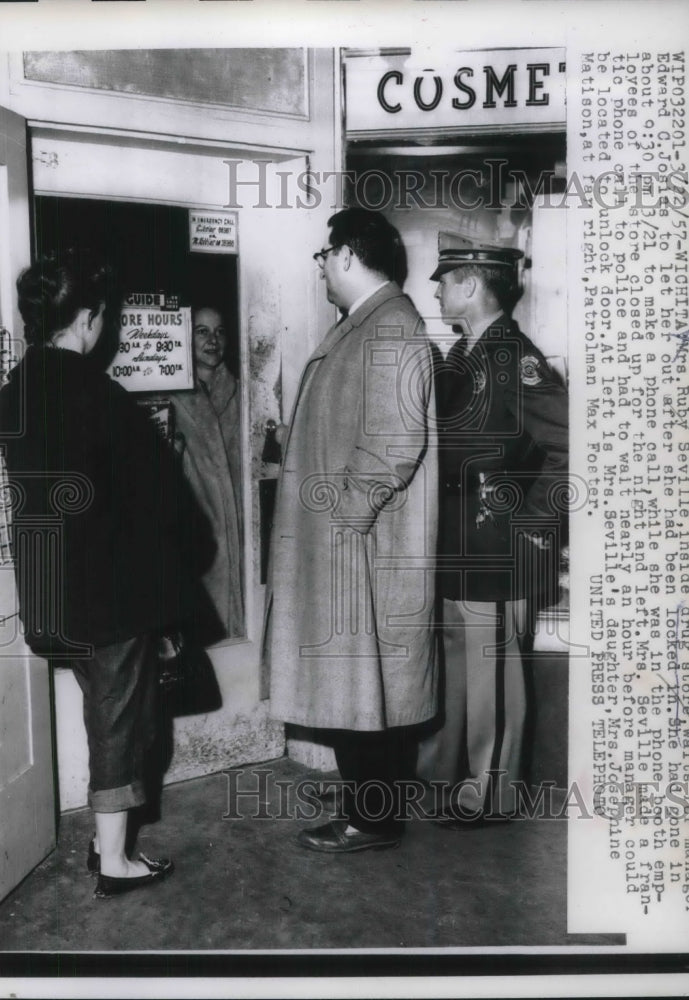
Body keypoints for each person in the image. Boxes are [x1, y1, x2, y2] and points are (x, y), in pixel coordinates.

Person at [0, 250, 204, 897]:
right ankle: (113, 860)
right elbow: (162, 502)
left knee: (103, 711)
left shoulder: (17, 387)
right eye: (101, 316)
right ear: (86, 318)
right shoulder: (98, 392)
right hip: (108, 595)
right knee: (121, 723)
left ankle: (102, 838)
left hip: (49, 595)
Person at [265, 208, 439, 853]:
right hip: (351, 546)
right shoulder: (366, 323)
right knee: (360, 688)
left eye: (323, 255)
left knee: (367, 687)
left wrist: (346, 518)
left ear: (344, 255)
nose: (319, 267)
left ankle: (372, 818)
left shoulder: (390, 324)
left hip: (359, 547)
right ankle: (369, 809)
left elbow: (396, 440)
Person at [419, 243, 569, 822]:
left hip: (503, 542)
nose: (436, 293)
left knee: (495, 671)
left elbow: (567, 446)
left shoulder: (517, 357)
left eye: (445, 283)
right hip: (460, 537)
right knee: (459, 659)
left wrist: (532, 527)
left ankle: (491, 792)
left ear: (472, 287)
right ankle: (444, 776)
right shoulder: (463, 353)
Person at [171, 306, 244, 638]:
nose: (213, 340)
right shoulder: (169, 398)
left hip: (241, 535)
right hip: (196, 539)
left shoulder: (244, 393)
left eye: (219, 331)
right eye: (202, 331)